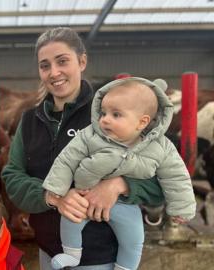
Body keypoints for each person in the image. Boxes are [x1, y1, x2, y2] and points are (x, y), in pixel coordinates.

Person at [1, 27, 166, 270]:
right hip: (50, 256)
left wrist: (118, 185)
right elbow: (12, 177)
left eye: (62, 61)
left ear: (82, 61)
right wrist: (53, 196)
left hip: (103, 259)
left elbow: (164, 178)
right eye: (45, 65)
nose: (54, 72)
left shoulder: (112, 113)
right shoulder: (30, 121)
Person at [43, 77, 196, 270]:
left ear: (142, 122)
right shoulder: (90, 135)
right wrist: (56, 187)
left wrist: (181, 208)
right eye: (104, 112)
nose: (105, 119)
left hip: (126, 204)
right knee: (70, 219)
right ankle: (72, 254)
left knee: (134, 239)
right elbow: (67, 159)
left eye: (116, 115)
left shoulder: (161, 147)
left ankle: (125, 267)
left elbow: (177, 177)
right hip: (85, 195)